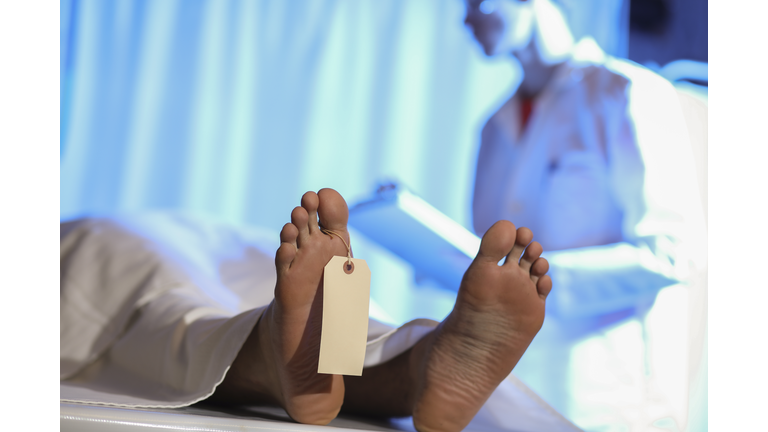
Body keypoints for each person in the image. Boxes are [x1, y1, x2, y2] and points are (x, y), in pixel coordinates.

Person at [61, 188, 566, 432]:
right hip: (229, 245)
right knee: (347, 326)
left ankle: (267, 353)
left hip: (105, 248)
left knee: (168, 318)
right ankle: (417, 363)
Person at [465, 0, 706, 317]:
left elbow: (674, 253)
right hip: (496, 354)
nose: (467, 20)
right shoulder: (493, 126)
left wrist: (541, 279)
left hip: (593, 360)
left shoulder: (626, 92)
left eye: (479, 3)